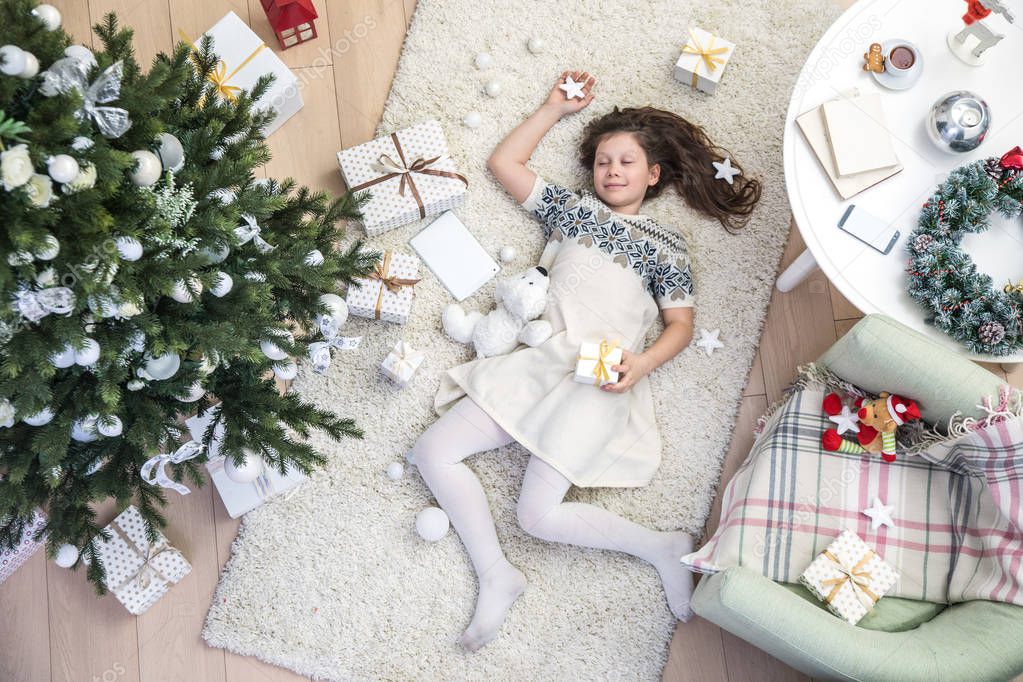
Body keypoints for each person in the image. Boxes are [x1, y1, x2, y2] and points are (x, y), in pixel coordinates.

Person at [411, 70, 762, 651]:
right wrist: (552, 108)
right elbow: (506, 164)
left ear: (653, 175)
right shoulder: (573, 211)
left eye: (626, 162)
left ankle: (661, 546)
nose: (612, 171)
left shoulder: (665, 248)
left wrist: (643, 365)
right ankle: (496, 572)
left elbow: (680, 325)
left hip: (599, 374)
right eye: (602, 161)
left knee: (538, 517)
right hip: (541, 360)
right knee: (432, 451)